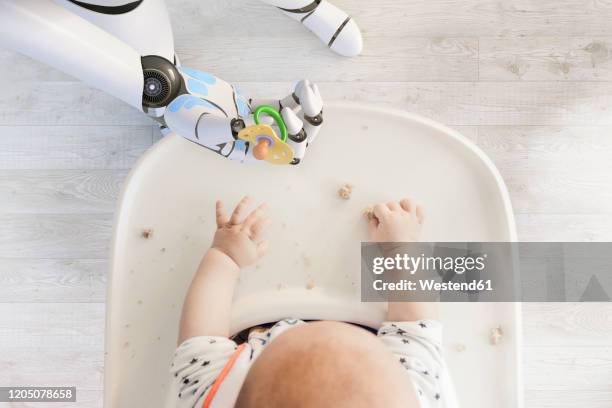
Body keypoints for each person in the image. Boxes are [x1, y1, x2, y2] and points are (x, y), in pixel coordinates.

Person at [167, 196, 458, 408]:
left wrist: (224, 257)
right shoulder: (416, 394)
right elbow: (414, 324)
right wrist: (400, 247)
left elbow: (199, 339)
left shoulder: (215, 395)